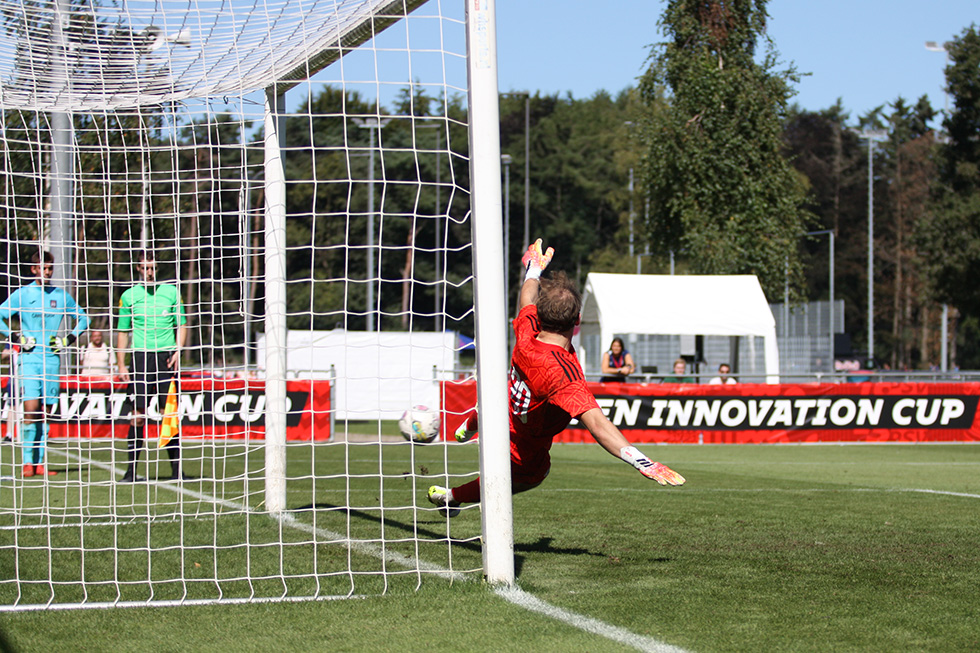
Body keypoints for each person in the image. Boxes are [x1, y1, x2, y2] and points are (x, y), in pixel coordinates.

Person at [428, 239, 684, 516]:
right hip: (528, 437)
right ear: (577, 321)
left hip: (507, 407)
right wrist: (643, 462)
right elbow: (597, 423)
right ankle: (451, 497)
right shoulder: (563, 376)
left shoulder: (527, 330)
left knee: (499, 398)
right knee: (530, 477)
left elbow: (526, 298)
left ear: (540, 314)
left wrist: (533, 269)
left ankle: (471, 424)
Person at [0, 250, 89, 477]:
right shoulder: (22, 294)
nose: (46, 272)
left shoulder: (60, 295)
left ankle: (40, 463)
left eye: (50, 268)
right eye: (42, 268)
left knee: (46, 413)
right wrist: (14, 337)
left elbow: (84, 318)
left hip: (51, 361)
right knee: (30, 410)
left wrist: (67, 339)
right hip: (29, 360)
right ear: (34, 269)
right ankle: (27, 462)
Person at [115, 252, 188, 483]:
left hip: (166, 359)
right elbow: (123, 332)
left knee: (170, 414)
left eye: (152, 268)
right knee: (137, 415)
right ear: (138, 269)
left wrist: (178, 349)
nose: (149, 272)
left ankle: (177, 471)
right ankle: (130, 471)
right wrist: (121, 364)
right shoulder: (129, 296)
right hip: (140, 359)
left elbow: (182, 324)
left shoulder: (171, 292)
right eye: (145, 268)